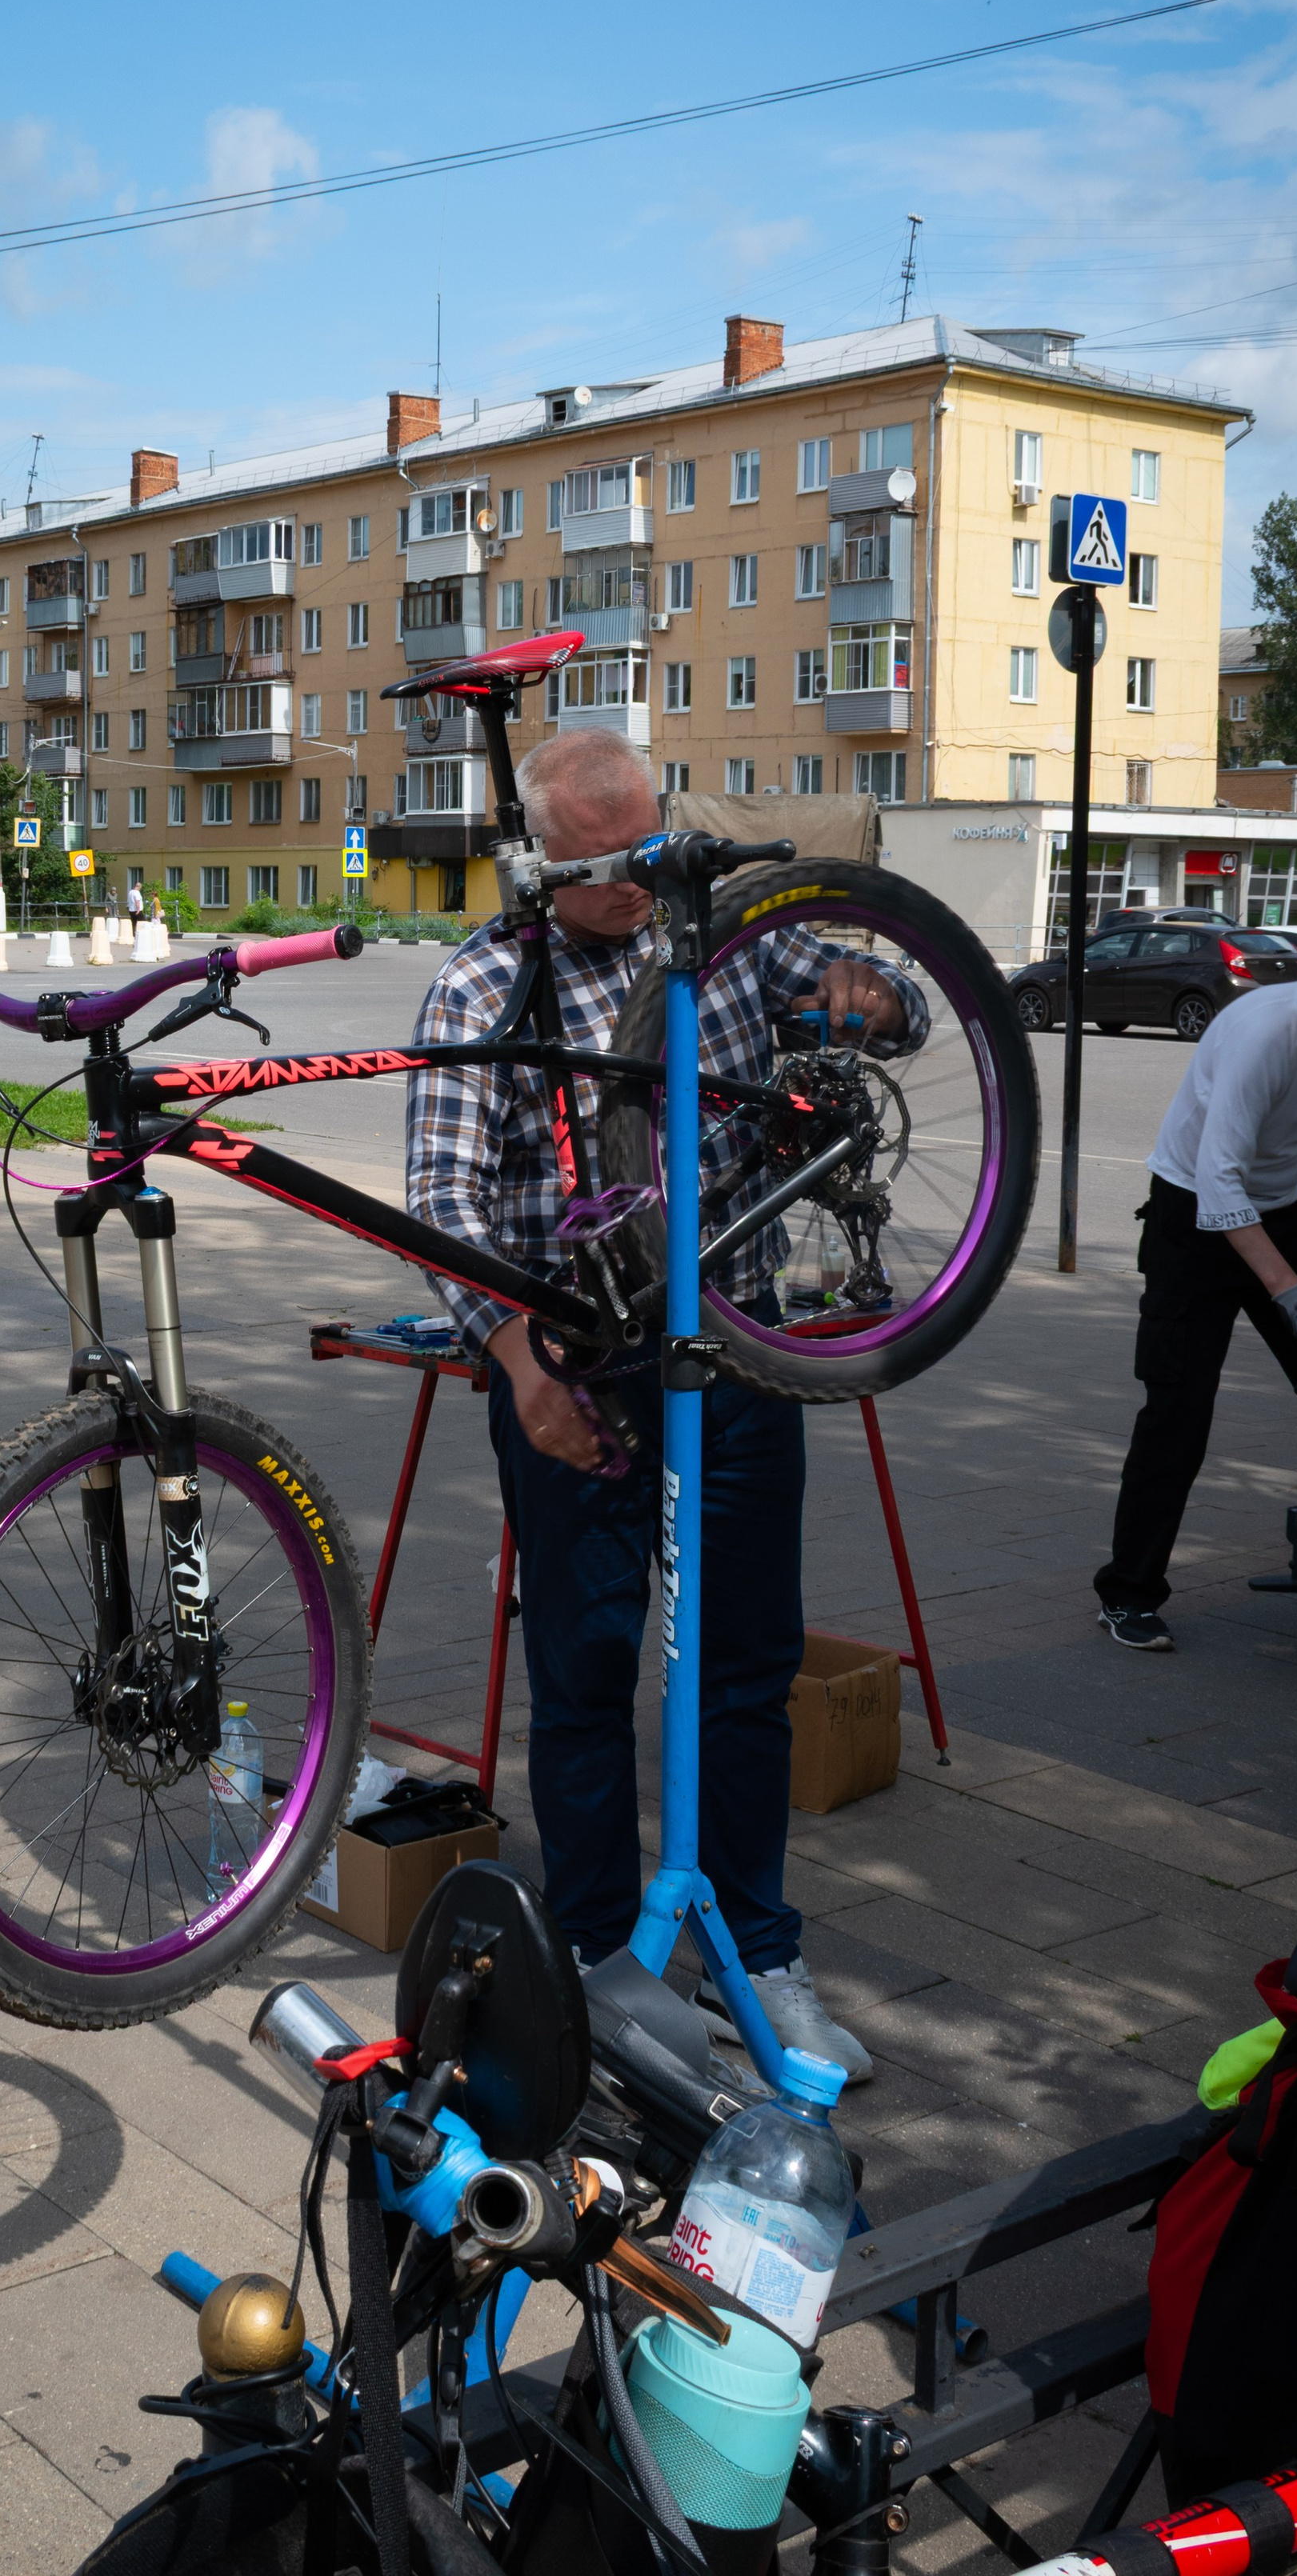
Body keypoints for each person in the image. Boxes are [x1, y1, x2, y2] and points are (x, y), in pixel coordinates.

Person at [406, 730, 924, 2079]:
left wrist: (875, 989)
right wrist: (521, 1371)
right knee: (584, 1673)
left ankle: (759, 1954)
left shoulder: (732, 942)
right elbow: (446, 1208)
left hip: (739, 1353)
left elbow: (905, 1011)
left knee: (746, 1669)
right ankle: (599, 1966)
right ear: (541, 859)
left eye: (652, 846)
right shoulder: (487, 984)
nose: (641, 881)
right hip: (575, 1366)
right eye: (608, 865)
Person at [1097, 958, 1297, 1651]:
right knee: (1178, 1411)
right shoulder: (1262, 1034)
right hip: (1191, 1219)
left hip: (1282, 1216)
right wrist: (1286, 1287)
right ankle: (1127, 1594)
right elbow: (1217, 1179)